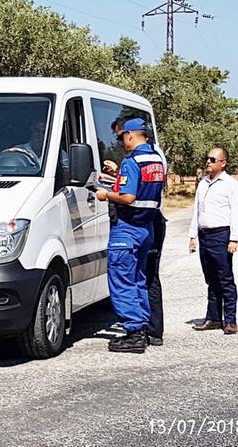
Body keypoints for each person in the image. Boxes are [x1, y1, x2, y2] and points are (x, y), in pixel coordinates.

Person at [96, 118, 165, 353]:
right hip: (147, 228)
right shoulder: (156, 159)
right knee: (138, 280)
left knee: (122, 280)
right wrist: (118, 176)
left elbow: (127, 197)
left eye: (121, 136)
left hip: (127, 228)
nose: (120, 141)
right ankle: (143, 328)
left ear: (130, 135)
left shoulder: (132, 161)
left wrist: (106, 194)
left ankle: (133, 333)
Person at [188, 147, 238, 335]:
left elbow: (237, 213)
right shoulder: (203, 183)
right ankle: (213, 318)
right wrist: (192, 235)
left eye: (212, 159)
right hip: (205, 236)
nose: (208, 162)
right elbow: (197, 210)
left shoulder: (230, 184)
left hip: (221, 236)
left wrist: (234, 239)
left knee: (225, 279)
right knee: (211, 279)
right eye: (207, 158)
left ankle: (230, 321)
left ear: (223, 163)